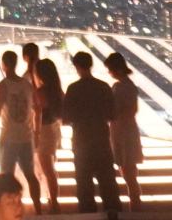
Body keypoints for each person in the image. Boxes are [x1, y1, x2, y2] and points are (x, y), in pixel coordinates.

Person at [64, 51, 120, 217]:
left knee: (84, 187)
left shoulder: (73, 88)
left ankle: (88, 216)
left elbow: (67, 117)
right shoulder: (104, 87)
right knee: (108, 186)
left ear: (77, 67)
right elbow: (112, 115)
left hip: (81, 141)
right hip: (102, 141)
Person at [0, 50, 41, 214]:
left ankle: (7, 210)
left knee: (6, 176)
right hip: (26, 136)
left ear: (4, 64)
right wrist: (36, 131)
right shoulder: (27, 84)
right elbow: (37, 109)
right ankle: (38, 208)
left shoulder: (2, 86)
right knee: (30, 174)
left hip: (8, 137)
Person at [104, 52, 144, 207]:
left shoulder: (126, 86)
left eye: (110, 69)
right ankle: (135, 204)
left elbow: (132, 110)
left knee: (128, 171)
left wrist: (113, 114)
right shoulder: (121, 85)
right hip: (120, 130)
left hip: (125, 131)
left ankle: (136, 204)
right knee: (126, 169)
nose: (110, 73)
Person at [32, 59, 63, 213]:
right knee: (51, 168)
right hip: (55, 129)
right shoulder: (58, 90)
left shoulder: (40, 92)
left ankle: (54, 203)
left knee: (47, 169)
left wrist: (35, 133)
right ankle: (53, 199)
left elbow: (38, 113)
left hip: (44, 131)